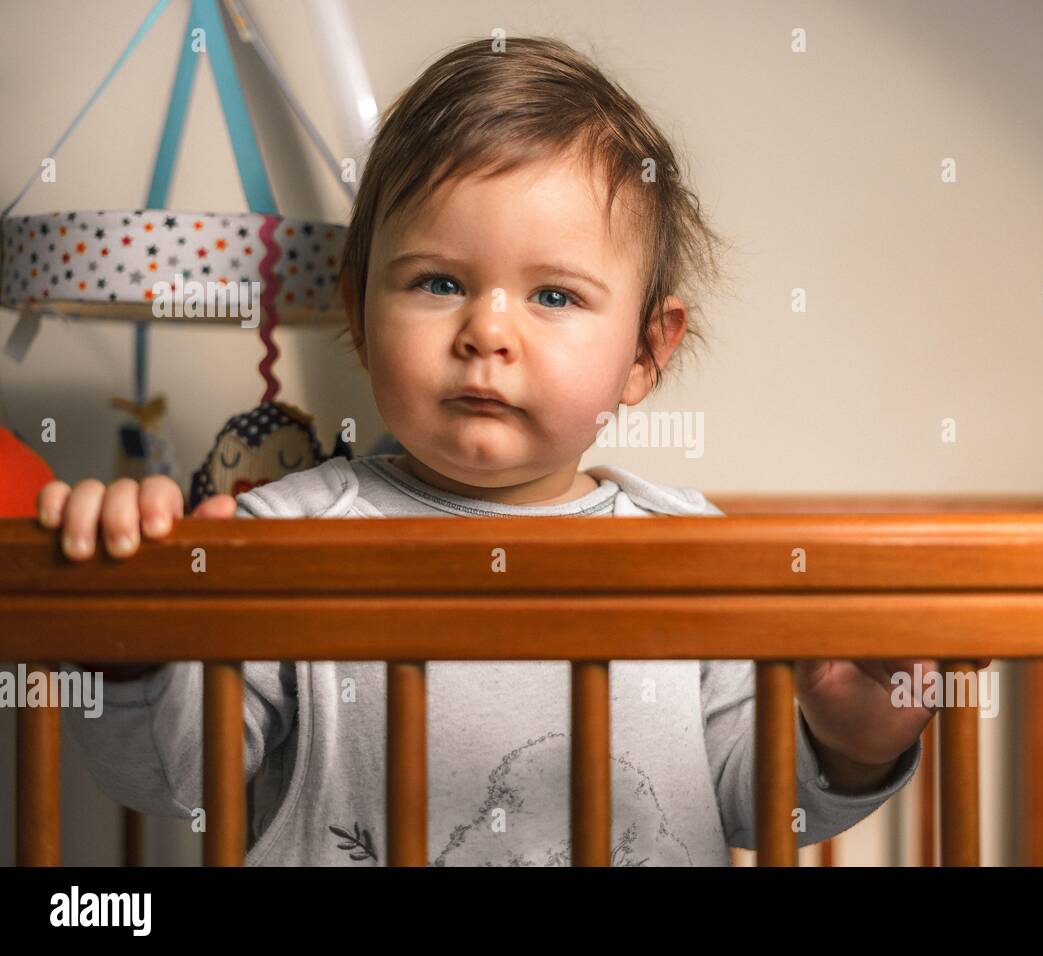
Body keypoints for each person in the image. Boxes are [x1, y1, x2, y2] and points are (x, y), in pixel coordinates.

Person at [36, 36, 947, 866]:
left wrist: (850, 744)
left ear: (645, 352)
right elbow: (173, 785)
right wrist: (130, 643)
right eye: (439, 282)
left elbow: (758, 804)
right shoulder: (284, 538)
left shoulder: (689, 551)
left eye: (554, 296)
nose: (487, 332)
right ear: (357, 310)